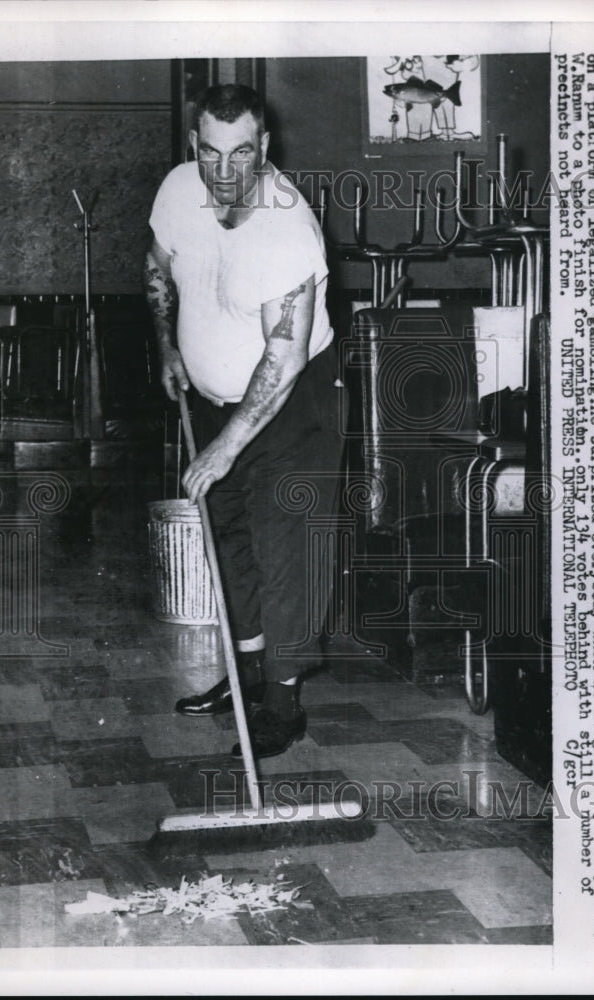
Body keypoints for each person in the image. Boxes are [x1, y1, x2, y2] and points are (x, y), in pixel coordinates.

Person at [143, 84, 344, 759]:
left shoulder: (287, 227)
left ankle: (282, 707)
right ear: (193, 147)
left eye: (243, 155)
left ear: (267, 148)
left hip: (297, 401)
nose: (225, 173)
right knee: (229, 542)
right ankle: (246, 677)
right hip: (212, 398)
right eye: (210, 155)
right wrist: (168, 345)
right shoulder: (177, 190)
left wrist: (226, 448)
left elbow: (281, 362)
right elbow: (158, 263)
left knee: (284, 551)